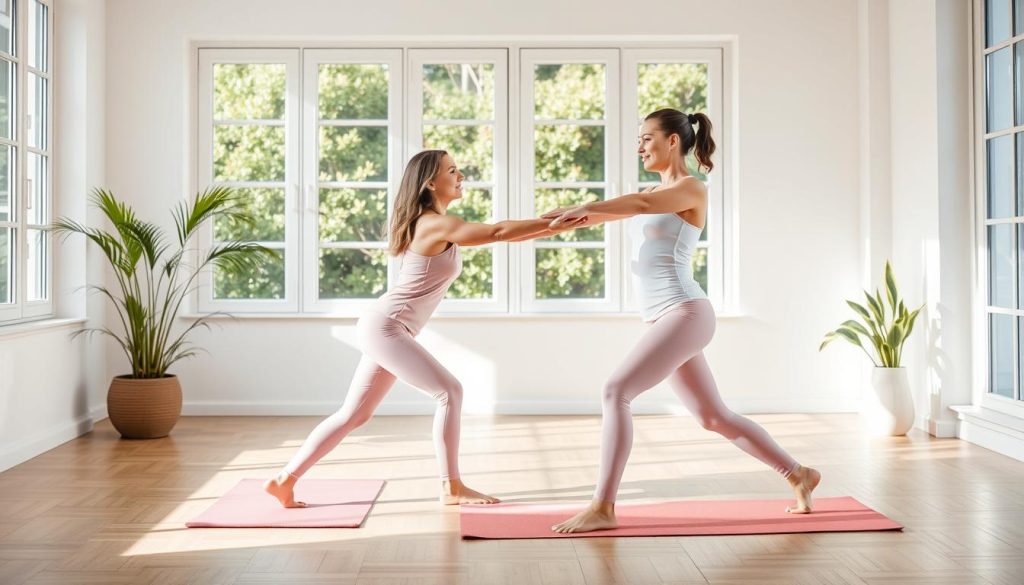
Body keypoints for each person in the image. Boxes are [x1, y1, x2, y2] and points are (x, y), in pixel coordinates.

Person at [548, 109, 820, 533]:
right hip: (664, 320)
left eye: (646, 138)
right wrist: (562, 217)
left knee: (615, 391)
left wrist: (585, 206)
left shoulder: (690, 189)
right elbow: (611, 212)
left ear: (673, 141)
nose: (639, 147)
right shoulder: (654, 192)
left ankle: (603, 506)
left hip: (685, 312)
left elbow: (638, 205)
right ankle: (798, 474)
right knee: (712, 416)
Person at [265, 149, 586, 508]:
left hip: (386, 326)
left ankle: (284, 480)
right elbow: (497, 231)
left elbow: (506, 236)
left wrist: (557, 223)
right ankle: (452, 487)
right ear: (431, 182)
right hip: (387, 327)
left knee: (355, 414)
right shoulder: (433, 223)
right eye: (453, 170)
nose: (461, 174)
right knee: (450, 391)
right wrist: (558, 222)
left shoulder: (433, 223)